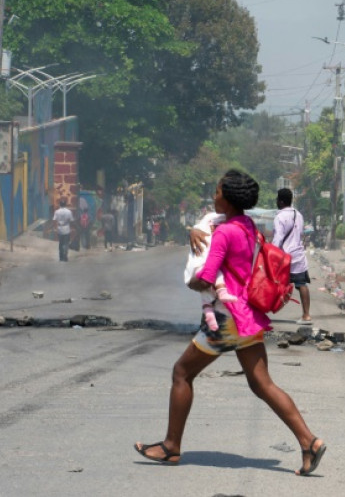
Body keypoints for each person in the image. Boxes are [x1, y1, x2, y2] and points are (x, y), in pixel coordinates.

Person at [135, 169, 325, 475]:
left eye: (217, 192)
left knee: (181, 373)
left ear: (229, 197)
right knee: (262, 384)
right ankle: (309, 441)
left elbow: (207, 277)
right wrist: (191, 231)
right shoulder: (246, 225)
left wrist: (191, 280)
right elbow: (209, 224)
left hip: (226, 319)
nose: (213, 196)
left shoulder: (225, 233)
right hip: (248, 315)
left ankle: (171, 446)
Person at [183, 212, 238, 332]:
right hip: (213, 275)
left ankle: (209, 323)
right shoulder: (212, 225)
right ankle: (208, 325)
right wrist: (194, 230)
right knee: (210, 289)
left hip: (225, 278)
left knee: (208, 295)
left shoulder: (235, 225)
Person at [273, 188, 311, 323]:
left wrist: (272, 253)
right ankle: (306, 315)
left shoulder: (279, 217)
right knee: (302, 284)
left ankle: (261, 311)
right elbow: (300, 233)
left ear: (281, 201)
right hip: (298, 255)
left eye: (277, 199)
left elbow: (278, 237)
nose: (276, 201)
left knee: (270, 282)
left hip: (284, 257)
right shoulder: (298, 215)